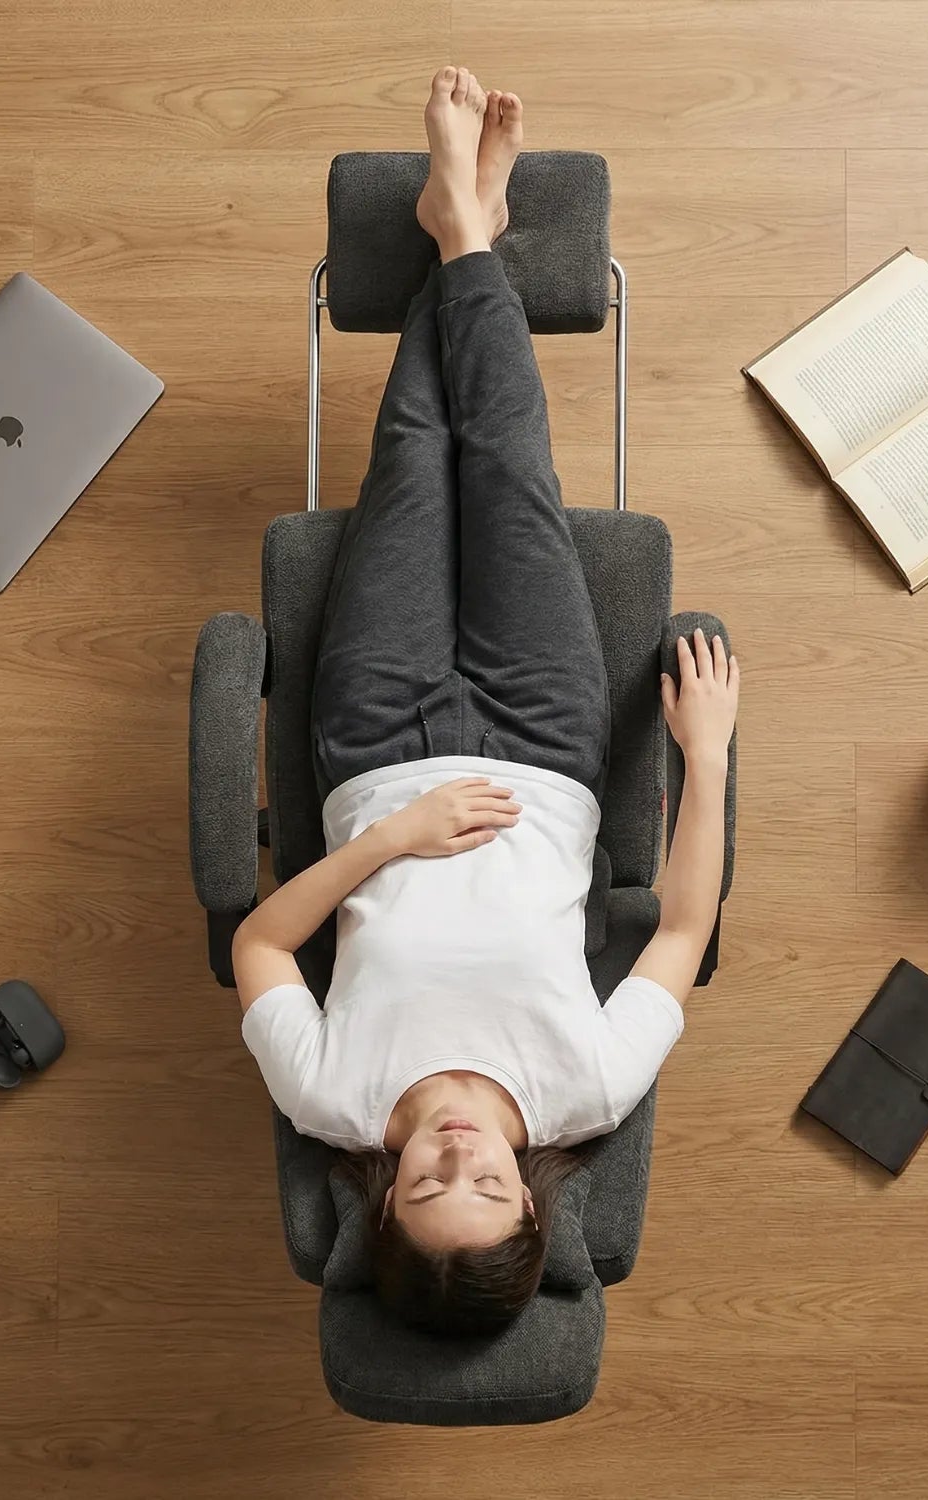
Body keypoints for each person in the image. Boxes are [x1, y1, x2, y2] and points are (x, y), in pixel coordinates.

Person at [233, 66, 739, 1336]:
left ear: (381, 1200)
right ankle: (466, 234)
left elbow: (256, 946)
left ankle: (467, 234)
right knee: (508, 463)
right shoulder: (588, 1092)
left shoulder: (330, 1102)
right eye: (489, 1185)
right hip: (547, 738)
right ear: (534, 1204)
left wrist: (392, 840)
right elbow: (677, 938)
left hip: (377, 739)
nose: (458, 1152)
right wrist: (707, 759)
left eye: (426, 1185)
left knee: (413, 460)